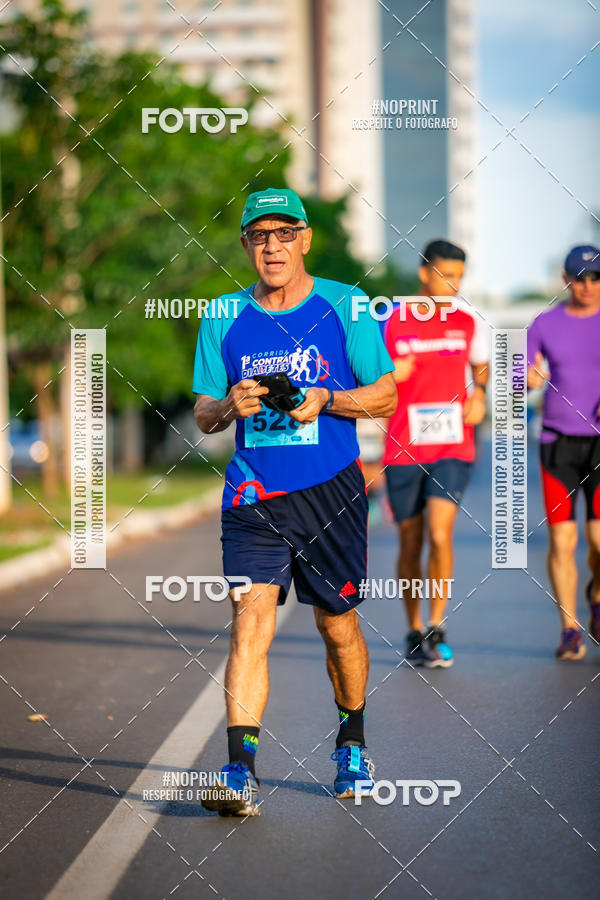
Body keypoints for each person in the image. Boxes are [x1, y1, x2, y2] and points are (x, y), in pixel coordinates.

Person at [193, 188, 396, 815]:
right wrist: (230, 405)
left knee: (337, 625)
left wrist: (325, 401)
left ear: (305, 239)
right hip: (252, 491)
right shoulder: (223, 314)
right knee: (250, 622)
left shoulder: (348, 304)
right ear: (247, 245)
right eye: (260, 235)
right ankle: (238, 770)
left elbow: (386, 395)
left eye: (285, 234)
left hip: (331, 488)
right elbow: (202, 411)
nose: (272, 246)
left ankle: (352, 745)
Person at [382, 239, 489, 667]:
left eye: (460, 277)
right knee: (411, 540)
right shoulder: (392, 320)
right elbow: (366, 372)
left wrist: (479, 391)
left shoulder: (467, 321)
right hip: (403, 447)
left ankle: (437, 625)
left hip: (452, 444)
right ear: (425, 273)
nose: (454, 285)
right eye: (447, 275)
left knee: (441, 534)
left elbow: (482, 364)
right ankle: (412, 628)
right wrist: (390, 372)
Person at [526, 244, 600, 660]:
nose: (587, 285)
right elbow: (521, 368)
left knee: (598, 539)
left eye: (595, 277)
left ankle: (596, 595)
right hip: (557, 442)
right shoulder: (546, 323)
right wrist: (530, 376)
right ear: (565, 279)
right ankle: (570, 628)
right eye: (579, 277)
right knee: (563, 538)